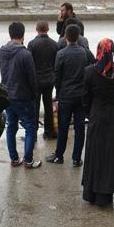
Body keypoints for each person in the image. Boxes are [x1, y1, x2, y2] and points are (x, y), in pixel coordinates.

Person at [81, 38, 114, 207]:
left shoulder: (89, 71)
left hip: (97, 117)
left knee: (95, 155)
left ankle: (91, 194)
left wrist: (91, 113)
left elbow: (85, 98)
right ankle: (106, 197)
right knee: (111, 157)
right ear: (113, 52)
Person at [46, 24, 95, 166]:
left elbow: (57, 76)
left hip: (66, 96)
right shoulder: (85, 53)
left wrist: (59, 92)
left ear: (66, 37)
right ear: (78, 37)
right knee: (80, 128)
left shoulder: (61, 54)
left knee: (63, 126)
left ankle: (59, 155)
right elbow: (93, 67)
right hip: (81, 96)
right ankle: (76, 158)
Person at [0, 22, 42, 169]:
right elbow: (32, 78)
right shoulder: (25, 54)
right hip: (23, 96)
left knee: (11, 126)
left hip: (7, 94)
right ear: (23, 35)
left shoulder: (2, 51)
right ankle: (28, 160)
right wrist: (34, 94)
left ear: (10, 34)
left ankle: (14, 159)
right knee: (30, 127)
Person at [27, 21, 58, 139]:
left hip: (36, 80)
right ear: (48, 29)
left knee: (34, 106)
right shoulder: (54, 44)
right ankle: (49, 132)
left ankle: (33, 133)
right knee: (48, 106)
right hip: (50, 80)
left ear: (37, 29)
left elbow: (29, 64)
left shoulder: (32, 44)